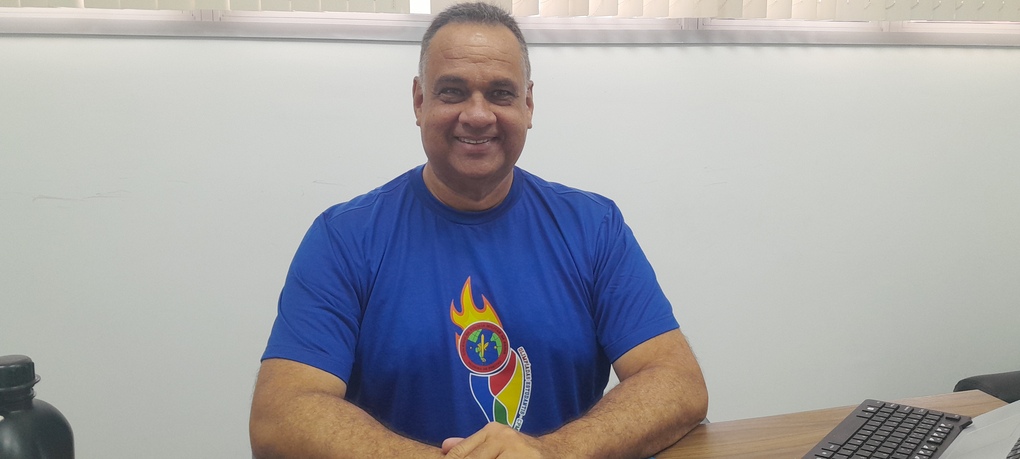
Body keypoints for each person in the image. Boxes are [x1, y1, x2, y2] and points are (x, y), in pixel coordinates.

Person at [249, 2, 709, 458]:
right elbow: (280, 416)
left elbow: (677, 382)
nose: (477, 114)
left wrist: (553, 452)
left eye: (500, 93)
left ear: (528, 104)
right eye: (452, 92)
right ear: (419, 101)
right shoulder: (343, 238)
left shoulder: (593, 228)